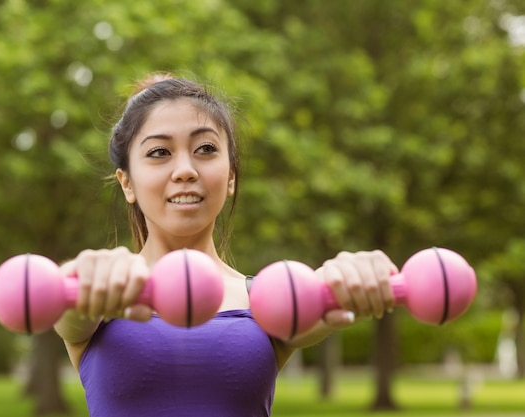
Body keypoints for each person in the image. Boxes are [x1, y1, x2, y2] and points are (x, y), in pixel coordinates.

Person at [54, 72, 398, 417]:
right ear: (127, 183)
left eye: (205, 149)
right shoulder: (96, 295)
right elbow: (66, 308)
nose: (185, 170)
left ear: (230, 176)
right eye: (159, 152)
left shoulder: (271, 299)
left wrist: (353, 272)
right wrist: (80, 274)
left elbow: (320, 292)